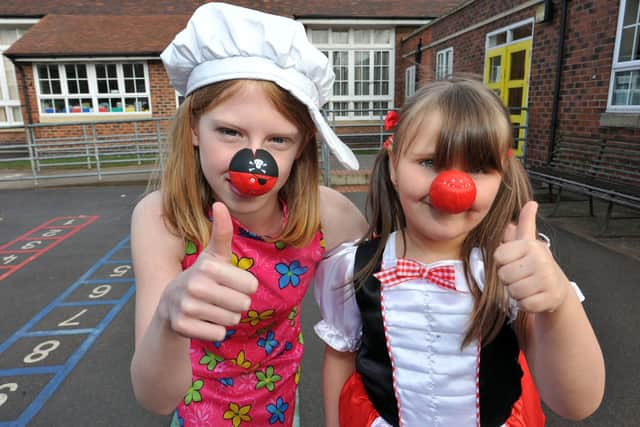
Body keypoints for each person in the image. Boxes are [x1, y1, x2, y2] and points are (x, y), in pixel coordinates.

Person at [313, 76, 605, 426]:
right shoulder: (354, 267)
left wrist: (558, 302)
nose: (454, 187)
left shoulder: (512, 268)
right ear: (393, 166)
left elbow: (577, 403)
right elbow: (341, 358)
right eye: (430, 162)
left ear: (500, 178)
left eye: (479, 169)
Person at [129, 3, 367, 427]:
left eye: (278, 139)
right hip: (195, 416)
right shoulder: (163, 218)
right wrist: (169, 317)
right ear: (192, 130)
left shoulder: (330, 215)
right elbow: (155, 398)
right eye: (230, 132)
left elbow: (407, 277)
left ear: (302, 146)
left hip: (282, 413)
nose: (253, 163)